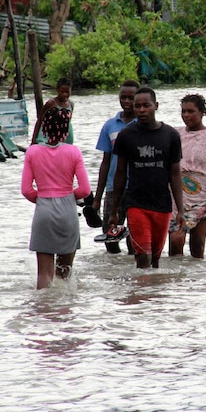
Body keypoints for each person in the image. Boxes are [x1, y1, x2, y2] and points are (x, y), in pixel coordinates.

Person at [109, 87, 185, 269]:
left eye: (146, 106)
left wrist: (180, 209)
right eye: (138, 106)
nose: (141, 110)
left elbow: (175, 174)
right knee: (143, 255)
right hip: (136, 204)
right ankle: (140, 294)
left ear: (156, 106)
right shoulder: (126, 136)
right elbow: (120, 173)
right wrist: (114, 210)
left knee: (156, 259)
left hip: (162, 205)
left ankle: (152, 295)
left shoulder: (171, 135)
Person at [22, 107, 91, 289]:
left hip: (43, 210)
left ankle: (44, 311)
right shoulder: (73, 152)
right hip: (68, 211)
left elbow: (27, 190)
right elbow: (85, 189)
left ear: (44, 127)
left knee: (44, 274)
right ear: (66, 129)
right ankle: (66, 311)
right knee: (65, 273)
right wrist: (67, 197)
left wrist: (45, 199)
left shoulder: (32, 152)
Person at [168, 94, 206, 259]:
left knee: (198, 243)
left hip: (205, 196)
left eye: (191, 111)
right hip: (178, 196)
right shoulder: (175, 134)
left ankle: (198, 280)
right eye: (183, 111)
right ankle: (175, 279)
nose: (186, 115)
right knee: (176, 240)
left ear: (202, 112)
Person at [92, 79, 140, 253]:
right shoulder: (110, 125)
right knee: (110, 235)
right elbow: (105, 162)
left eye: (131, 98)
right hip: (114, 188)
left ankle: (134, 272)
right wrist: (97, 198)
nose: (127, 101)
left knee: (135, 239)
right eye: (123, 97)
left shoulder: (143, 125)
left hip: (137, 188)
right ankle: (114, 271)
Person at [31, 77, 74, 145]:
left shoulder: (70, 104)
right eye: (62, 91)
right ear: (57, 90)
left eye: (67, 92)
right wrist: (33, 140)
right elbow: (39, 121)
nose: (64, 94)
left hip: (65, 134)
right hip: (49, 135)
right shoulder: (51, 103)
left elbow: (68, 121)